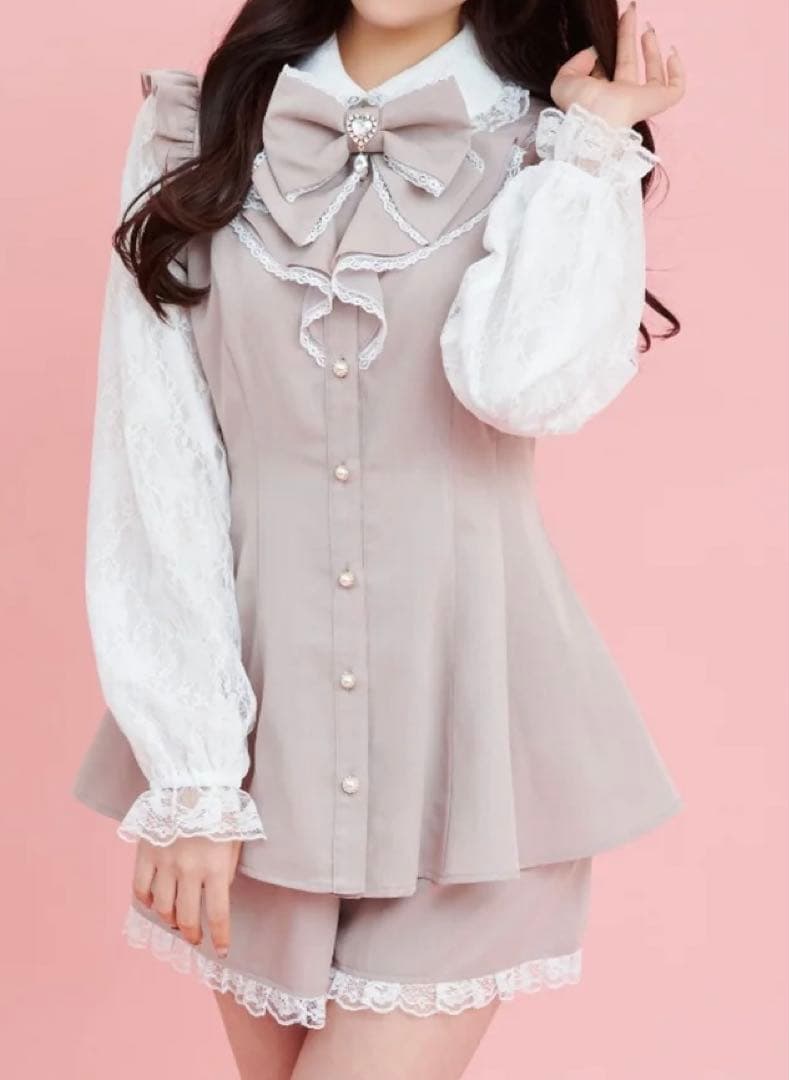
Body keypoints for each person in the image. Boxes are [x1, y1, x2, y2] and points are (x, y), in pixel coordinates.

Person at [72, 1, 686, 1077]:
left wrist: (588, 150)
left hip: (478, 752)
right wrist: (194, 773)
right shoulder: (198, 132)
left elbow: (519, 386)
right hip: (255, 755)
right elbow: (154, 456)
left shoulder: (554, 145)